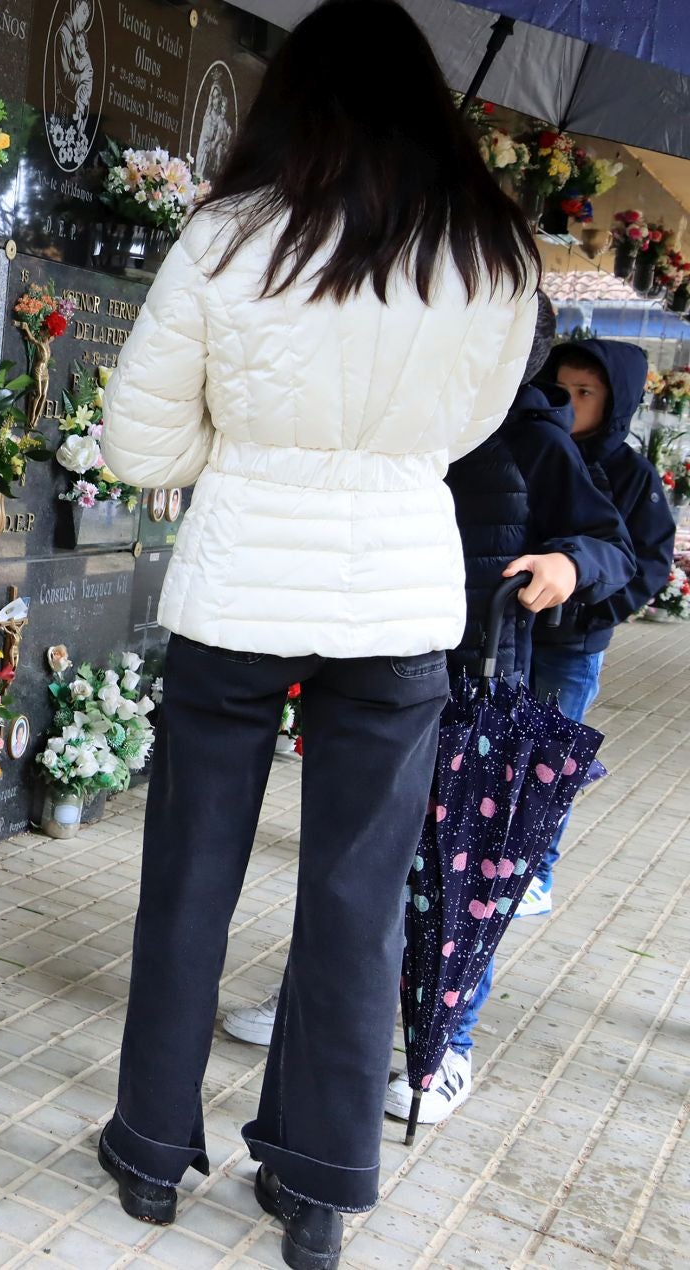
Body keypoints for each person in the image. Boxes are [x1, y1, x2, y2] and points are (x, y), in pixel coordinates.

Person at [90, 3, 540, 1267]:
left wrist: (246, 455)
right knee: (358, 896)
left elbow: (139, 442)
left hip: (240, 588)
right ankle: (319, 1184)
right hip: (398, 598)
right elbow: (466, 429)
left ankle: (150, 1152)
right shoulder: (492, 251)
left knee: (189, 876)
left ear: (287, 96)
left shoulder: (229, 235)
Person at [226, 295, 637, 1128]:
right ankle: (309, 996)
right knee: (348, 854)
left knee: (462, 879)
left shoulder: (534, 438)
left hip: (475, 692)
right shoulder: (401, 416)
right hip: (369, 675)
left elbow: (614, 547)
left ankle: (445, 1047)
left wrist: (568, 564)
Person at [518, 339, 678, 912]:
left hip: (571, 647)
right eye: (562, 388)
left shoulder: (631, 472)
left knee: (551, 758)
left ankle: (537, 872)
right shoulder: (533, 446)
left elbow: (649, 561)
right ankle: (485, 856)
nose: (570, 401)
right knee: (498, 746)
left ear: (616, 403)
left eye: (586, 392)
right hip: (513, 631)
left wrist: (592, 613)